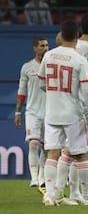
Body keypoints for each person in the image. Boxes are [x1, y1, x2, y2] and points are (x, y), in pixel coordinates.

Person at [38, 20, 88, 206]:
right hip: (72, 113)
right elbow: (87, 91)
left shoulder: (48, 55)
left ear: (62, 35)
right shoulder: (79, 59)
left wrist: (55, 95)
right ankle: (87, 196)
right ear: (77, 37)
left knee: (52, 154)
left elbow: (41, 83)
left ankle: (50, 195)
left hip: (52, 113)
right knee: (81, 155)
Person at [15, 36, 49, 193]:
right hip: (33, 112)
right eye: (42, 45)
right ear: (35, 48)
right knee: (34, 143)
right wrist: (18, 111)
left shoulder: (52, 66)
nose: (45, 48)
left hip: (50, 112)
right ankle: (34, 178)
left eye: (47, 45)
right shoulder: (27, 67)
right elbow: (22, 92)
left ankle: (42, 178)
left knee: (47, 149)